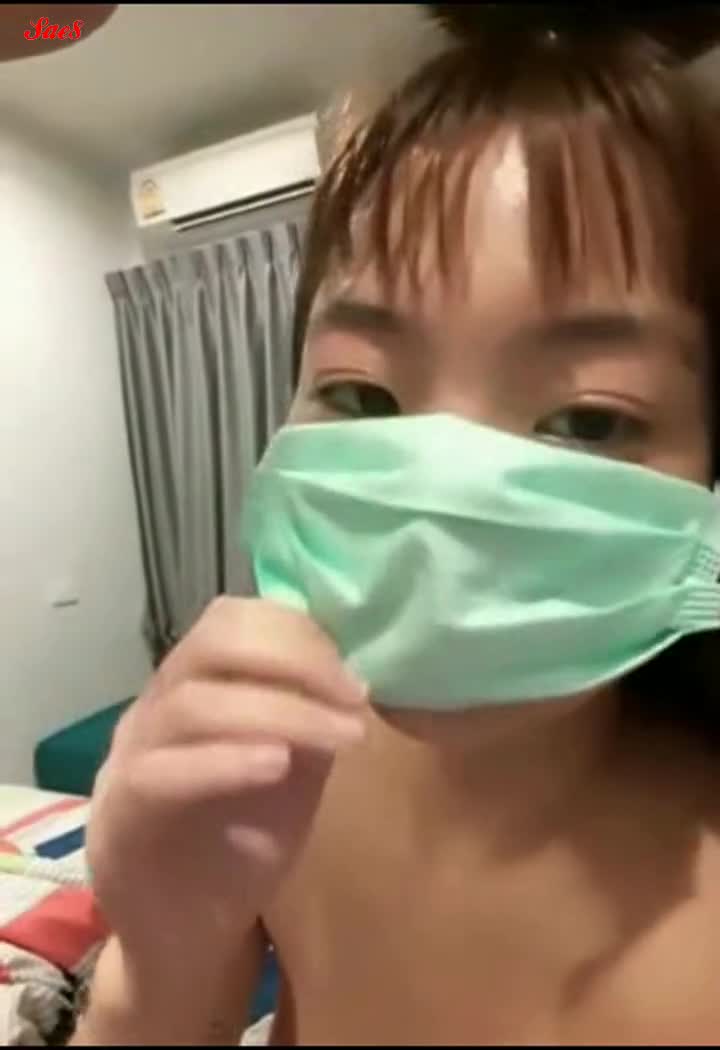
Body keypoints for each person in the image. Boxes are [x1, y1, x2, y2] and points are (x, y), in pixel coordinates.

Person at [72, 5, 720, 1045]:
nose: (435, 516)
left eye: (587, 419)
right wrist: (163, 949)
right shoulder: (275, 770)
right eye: (364, 396)